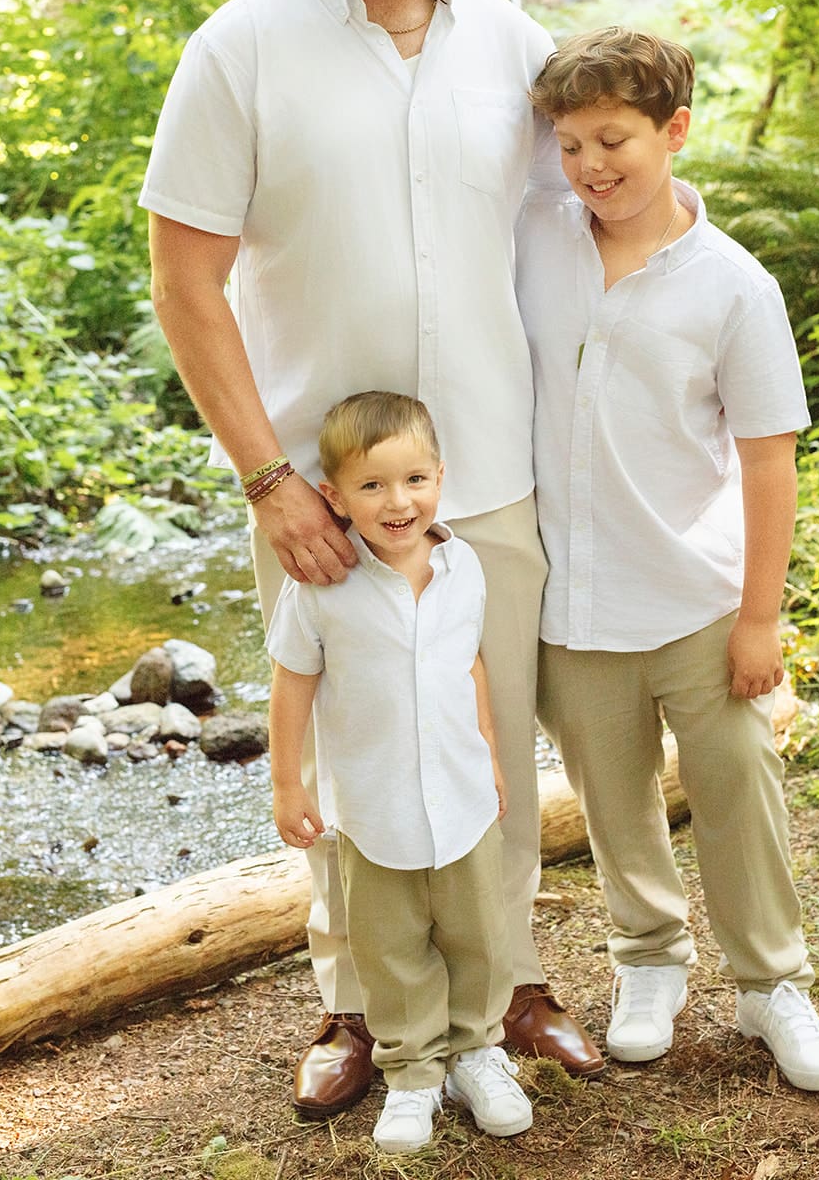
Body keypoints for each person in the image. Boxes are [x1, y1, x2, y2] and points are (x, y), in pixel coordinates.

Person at [141, 0, 602, 1117]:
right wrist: (268, 478)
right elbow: (184, 283)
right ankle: (355, 1002)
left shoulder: (516, 48)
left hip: (490, 476)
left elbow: (581, 230)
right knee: (351, 751)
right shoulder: (239, 47)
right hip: (315, 493)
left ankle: (504, 982)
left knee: (489, 745)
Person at [515, 26, 819, 1092]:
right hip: (572, 596)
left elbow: (766, 459)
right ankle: (648, 963)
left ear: (673, 131)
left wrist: (759, 617)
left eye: (609, 139)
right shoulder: (536, 242)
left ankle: (769, 985)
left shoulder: (733, 287)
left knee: (735, 788)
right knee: (612, 803)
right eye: (567, 145)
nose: (587, 167)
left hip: (697, 595)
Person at [267, 391, 535, 1154]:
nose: (397, 502)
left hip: (462, 797)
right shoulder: (321, 587)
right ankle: (414, 1070)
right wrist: (291, 785)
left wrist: (486, 751)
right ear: (334, 496)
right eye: (373, 486)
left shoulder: (463, 567)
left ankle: (477, 1051)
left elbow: (470, 666)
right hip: (372, 806)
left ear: (440, 478)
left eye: (414, 480)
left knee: (479, 930)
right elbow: (292, 685)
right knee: (389, 944)